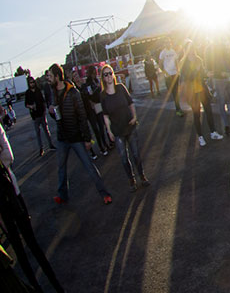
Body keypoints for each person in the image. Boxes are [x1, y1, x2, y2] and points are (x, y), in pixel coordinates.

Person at [0, 126, 72, 293]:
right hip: (4, 204)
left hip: (12, 194)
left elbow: (8, 156)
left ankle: (59, 291)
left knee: (33, 245)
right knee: (21, 255)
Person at [46, 64, 112, 205]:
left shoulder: (73, 92)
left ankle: (105, 194)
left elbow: (82, 116)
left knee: (89, 166)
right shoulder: (53, 92)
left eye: (50, 76)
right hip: (62, 138)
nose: (48, 79)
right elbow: (57, 116)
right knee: (61, 168)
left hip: (75, 137)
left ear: (57, 76)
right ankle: (62, 195)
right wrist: (51, 112)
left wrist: (87, 139)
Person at [100, 65, 149, 192]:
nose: (109, 76)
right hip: (117, 130)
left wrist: (134, 116)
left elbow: (130, 102)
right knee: (123, 158)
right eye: (105, 74)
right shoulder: (103, 95)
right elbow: (105, 115)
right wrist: (109, 131)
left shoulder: (121, 88)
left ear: (113, 74)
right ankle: (131, 180)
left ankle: (142, 176)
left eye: (110, 73)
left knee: (136, 154)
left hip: (129, 126)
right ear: (103, 78)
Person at [179, 41, 221, 147]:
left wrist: (207, 74)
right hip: (192, 92)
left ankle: (213, 132)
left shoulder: (199, 59)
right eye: (189, 48)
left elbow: (202, 74)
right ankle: (200, 137)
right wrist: (196, 71)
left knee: (209, 111)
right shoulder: (183, 63)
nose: (191, 50)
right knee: (196, 114)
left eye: (192, 47)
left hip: (202, 90)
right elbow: (186, 78)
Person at [205, 36, 230, 137]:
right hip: (221, 78)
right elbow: (209, 69)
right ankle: (229, 124)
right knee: (226, 102)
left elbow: (229, 60)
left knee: (228, 102)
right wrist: (226, 73)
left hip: (225, 78)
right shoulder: (211, 49)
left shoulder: (213, 48)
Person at [24, 76, 55, 156]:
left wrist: (44, 110)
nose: (32, 84)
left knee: (46, 130)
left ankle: (51, 145)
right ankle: (41, 149)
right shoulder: (27, 93)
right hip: (35, 116)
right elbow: (26, 104)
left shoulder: (38, 90)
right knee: (38, 133)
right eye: (30, 83)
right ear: (28, 84)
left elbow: (43, 101)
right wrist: (31, 106)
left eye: (33, 82)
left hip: (42, 113)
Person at [159, 39, 184, 116]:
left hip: (175, 74)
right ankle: (178, 109)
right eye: (166, 43)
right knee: (174, 92)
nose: (168, 44)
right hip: (168, 76)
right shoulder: (162, 53)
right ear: (164, 44)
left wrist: (178, 70)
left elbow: (176, 61)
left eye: (169, 42)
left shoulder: (173, 51)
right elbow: (160, 65)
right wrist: (166, 73)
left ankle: (178, 109)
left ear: (171, 43)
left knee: (176, 92)